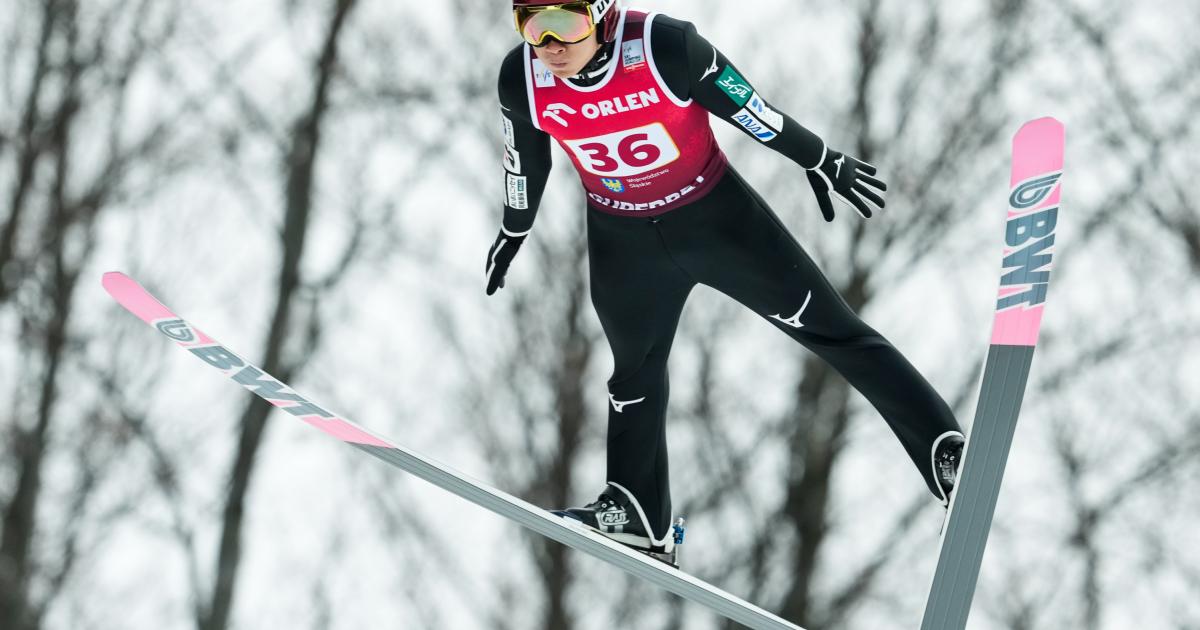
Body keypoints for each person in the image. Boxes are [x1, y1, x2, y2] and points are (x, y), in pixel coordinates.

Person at [488, 0, 965, 564]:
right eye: (533, 27)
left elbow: (752, 109)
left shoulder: (664, 48)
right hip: (624, 244)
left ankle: (944, 450)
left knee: (833, 331)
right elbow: (525, 163)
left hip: (718, 223)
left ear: (601, 14)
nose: (551, 46)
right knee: (633, 380)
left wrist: (820, 159)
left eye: (565, 23)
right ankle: (637, 511)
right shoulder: (522, 80)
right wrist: (514, 230)